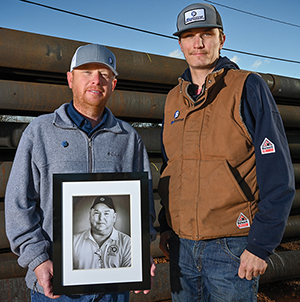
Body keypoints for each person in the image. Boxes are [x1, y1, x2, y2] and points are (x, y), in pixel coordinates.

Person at [158, 3, 295, 301]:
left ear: (222, 39)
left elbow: (278, 173)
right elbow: (170, 168)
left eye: (207, 33)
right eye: (189, 35)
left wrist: (260, 245)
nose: (198, 43)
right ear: (179, 43)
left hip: (232, 247)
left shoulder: (247, 87)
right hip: (181, 247)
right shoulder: (173, 99)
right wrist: (167, 226)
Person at [5, 43, 156, 301]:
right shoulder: (40, 132)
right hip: (54, 285)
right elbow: (18, 204)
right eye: (86, 71)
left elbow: (142, 207)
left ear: (113, 84)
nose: (96, 80)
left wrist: (140, 253)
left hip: (113, 288)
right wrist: (38, 260)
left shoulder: (128, 137)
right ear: (70, 78)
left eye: (105, 74)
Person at [73, 196, 131, 269]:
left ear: (114, 217)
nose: (101, 218)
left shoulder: (127, 243)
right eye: (96, 213)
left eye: (106, 213)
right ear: (90, 216)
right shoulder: (73, 241)